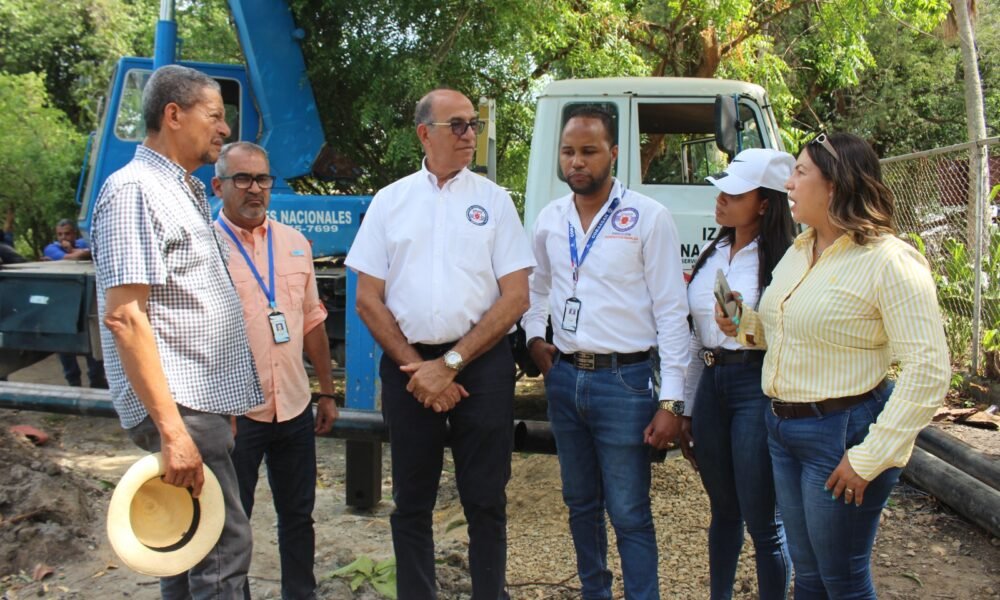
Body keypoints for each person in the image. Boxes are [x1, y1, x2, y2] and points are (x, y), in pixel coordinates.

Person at [716, 132, 950, 599]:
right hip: (785, 429)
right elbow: (792, 331)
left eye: (801, 172)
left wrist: (870, 457)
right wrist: (744, 323)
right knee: (811, 576)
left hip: (840, 434)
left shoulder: (889, 261)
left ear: (836, 185)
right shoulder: (802, 250)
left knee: (841, 580)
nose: (789, 183)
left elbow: (929, 370)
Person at [346, 88, 535, 599]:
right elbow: (368, 299)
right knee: (412, 501)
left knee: (485, 500)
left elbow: (516, 296)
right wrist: (419, 368)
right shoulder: (390, 201)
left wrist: (450, 364)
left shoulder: (494, 202)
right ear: (424, 133)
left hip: (480, 366)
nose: (470, 133)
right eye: (457, 124)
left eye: (473, 124)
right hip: (409, 366)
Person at [91, 64, 264, 600]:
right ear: (173, 114)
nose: (223, 130)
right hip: (180, 406)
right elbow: (126, 316)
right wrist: (173, 431)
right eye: (214, 116)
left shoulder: (176, 190)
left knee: (186, 543)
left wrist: (220, 405)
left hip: (196, 405)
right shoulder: (135, 190)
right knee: (221, 547)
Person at [522, 106, 690, 599]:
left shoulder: (648, 217)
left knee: (630, 511)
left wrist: (673, 402)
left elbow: (671, 314)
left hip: (626, 382)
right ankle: (594, 592)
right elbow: (536, 288)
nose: (577, 162)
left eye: (589, 151)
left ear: (613, 154)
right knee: (579, 503)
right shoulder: (550, 220)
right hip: (566, 378)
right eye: (569, 151)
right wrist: (535, 338)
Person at [212, 141, 339, 600]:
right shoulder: (205, 247)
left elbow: (312, 320)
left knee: (298, 516)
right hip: (235, 414)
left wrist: (326, 392)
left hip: (293, 407)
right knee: (231, 521)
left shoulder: (294, 243)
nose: (254, 189)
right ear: (218, 186)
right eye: (241, 179)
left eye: (262, 179)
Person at [681, 149, 796, 600]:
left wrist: (747, 324)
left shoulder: (784, 261)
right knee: (723, 509)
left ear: (764, 204)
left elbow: (790, 332)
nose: (721, 199)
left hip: (753, 385)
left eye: (735, 192)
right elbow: (695, 336)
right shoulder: (714, 251)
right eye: (722, 189)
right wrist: (685, 406)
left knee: (762, 519)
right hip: (712, 382)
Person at [38, 219, 108, 387]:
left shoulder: (85, 242)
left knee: (92, 343)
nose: (64, 237)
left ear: (74, 233)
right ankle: (73, 383)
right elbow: (70, 258)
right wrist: (80, 253)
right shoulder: (51, 248)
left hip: (84, 302)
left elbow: (93, 251)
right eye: (60, 234)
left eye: (67, 233)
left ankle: (96, 382)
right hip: (61, 304)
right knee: (65, 348)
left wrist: (80, 252)